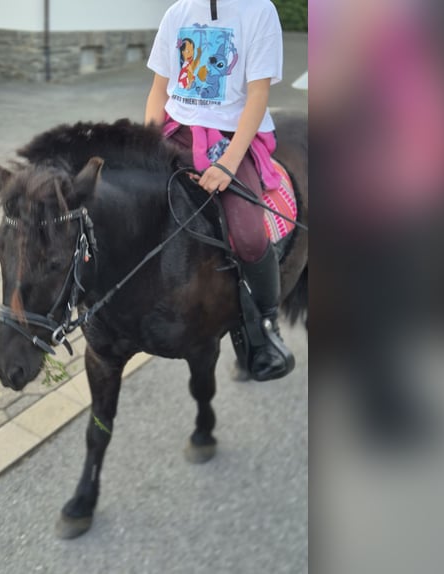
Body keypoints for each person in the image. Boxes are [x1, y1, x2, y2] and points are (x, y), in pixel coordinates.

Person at [145, 0, 293, 381]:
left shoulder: (260, 12)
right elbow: (158, 91)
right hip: (175, 133)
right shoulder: (177, 14)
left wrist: (228, 162)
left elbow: (258, 96)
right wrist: (145, 150)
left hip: (231, 135)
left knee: (248, 235)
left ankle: (263, 327)